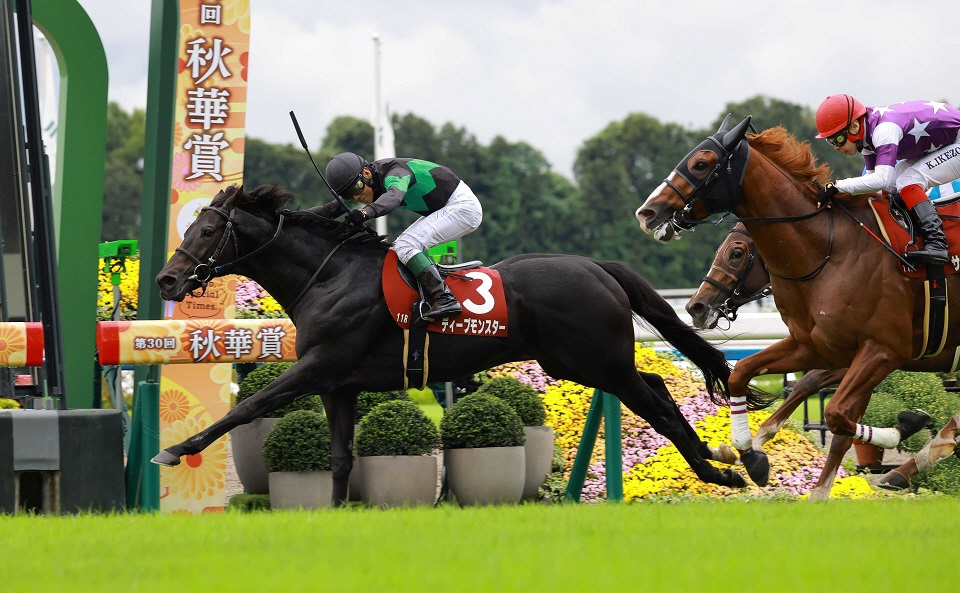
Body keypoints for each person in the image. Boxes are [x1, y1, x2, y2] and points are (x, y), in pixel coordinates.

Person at [308, 152, 482, 322]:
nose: (355, 197)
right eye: (347, 194)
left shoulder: (395, 173)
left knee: (406, 245)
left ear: (367, 173)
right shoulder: (367, 184)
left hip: (462, 207)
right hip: (445, 208)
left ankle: (445, 298)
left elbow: (394, 197)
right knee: (399, 248)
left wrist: (364, 213)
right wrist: (290, 217)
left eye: (356, 188)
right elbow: (329, 210)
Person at [815, 94, 960, 266]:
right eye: (830, 141)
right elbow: (873, 186)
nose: (836, 147)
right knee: (893, 185)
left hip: (955, 143)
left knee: (908, 181)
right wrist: (838, 198)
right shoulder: (866, 137)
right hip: (943, 144)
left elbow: (880, 179)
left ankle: (937, 243)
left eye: (838, 138)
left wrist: (837, 186)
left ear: (854, 126)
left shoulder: (883, 130)